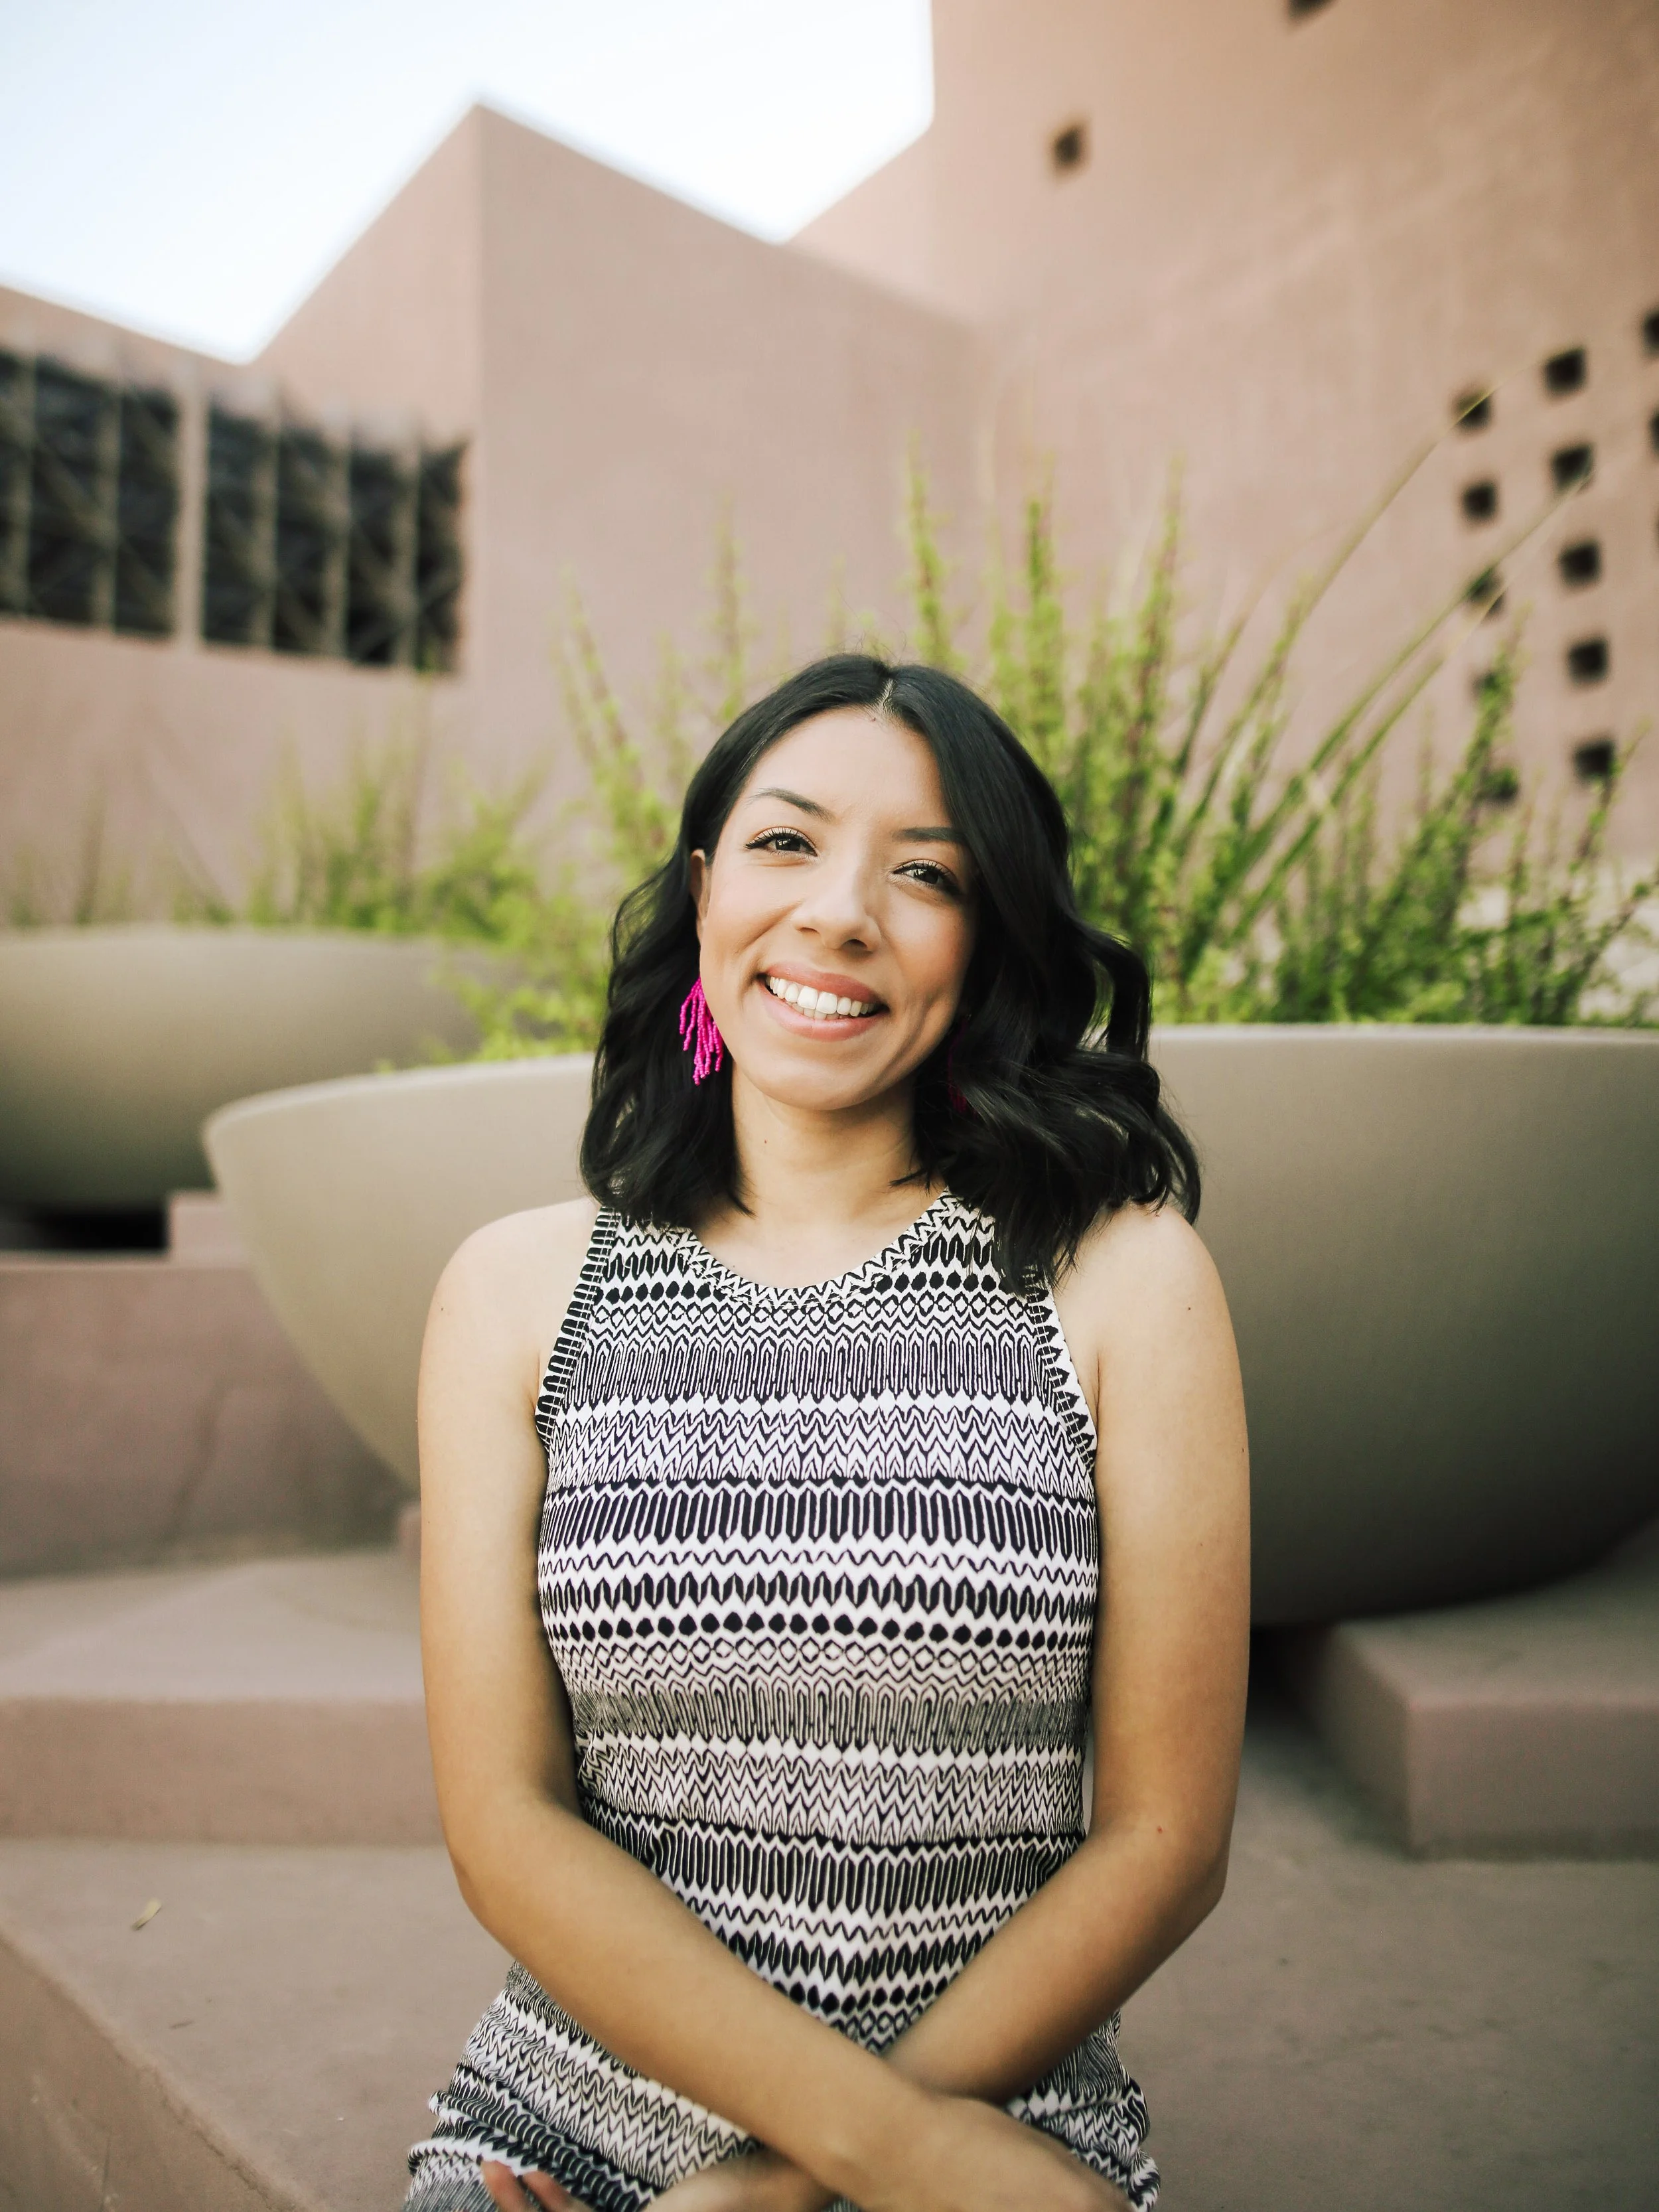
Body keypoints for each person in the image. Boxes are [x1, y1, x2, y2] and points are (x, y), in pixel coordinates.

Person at [405, 655, 1250, 2212]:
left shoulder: (1121, 1279)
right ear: (704, 885)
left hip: (997, 2122)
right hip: (567, 2128)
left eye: (922, 872)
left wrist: (801, 2177)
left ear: (983, 939)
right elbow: (501, 1821)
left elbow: (1162, 1833)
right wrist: (853, 2154)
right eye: (786, 842)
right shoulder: (516, 1293)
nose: (840, 911)